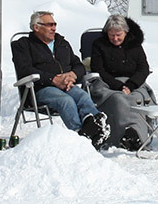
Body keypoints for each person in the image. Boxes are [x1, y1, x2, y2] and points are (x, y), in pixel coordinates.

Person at [11, 10, 110, 147]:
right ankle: (79, 135)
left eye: (55, 24)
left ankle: (95, 126)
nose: (54, 28)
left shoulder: (61, 43)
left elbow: (78, 65)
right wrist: (53, 79)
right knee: (66, 101)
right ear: (36, 27)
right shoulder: (23, 45)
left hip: (66, 86)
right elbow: (25, 70)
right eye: (49, 25)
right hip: (40, 88)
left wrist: (72, 75)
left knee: (82, 96)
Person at [89, 14, 157, 151]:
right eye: (111, 35)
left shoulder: (135, 46)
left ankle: (136, 135)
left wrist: (131, 85)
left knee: (137, 99)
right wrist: (118, 86)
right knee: (118, 99)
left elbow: (143, 68)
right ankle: (119, 137)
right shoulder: (99, 45)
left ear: (126, 32)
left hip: (133, 83)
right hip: (107, 83)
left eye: (118, 35)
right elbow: (98, 69)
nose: (115, 38)